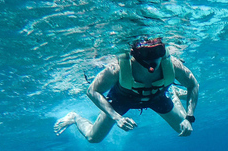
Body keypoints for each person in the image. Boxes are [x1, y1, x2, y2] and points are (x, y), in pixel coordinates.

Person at [54, 37, 199, 142]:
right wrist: (117, 117)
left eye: (158, 51)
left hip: (157, 96)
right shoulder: (118, 68)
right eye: (146, 53)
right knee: (93, 138)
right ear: (135, 54)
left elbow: (193, 85)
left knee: (184, 130)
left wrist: (189, 117)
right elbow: (92, 91)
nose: (153, 58)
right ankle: (74, 117)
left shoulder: (173, 64)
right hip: (122, 99)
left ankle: (173, 93)